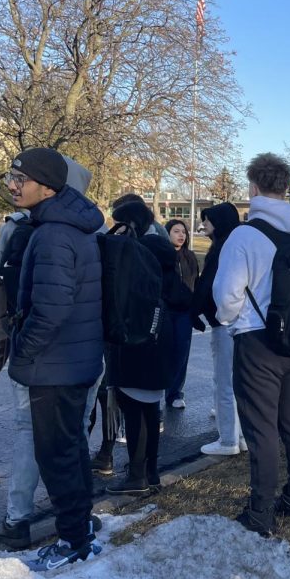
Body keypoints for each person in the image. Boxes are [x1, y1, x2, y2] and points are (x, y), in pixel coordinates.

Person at [213, 153, 290, 534]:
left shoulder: (245, 235)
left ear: (253, 187)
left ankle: (260, 511)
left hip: (257, 342)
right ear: (286, 188)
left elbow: (226, 296)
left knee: (261, 428)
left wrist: (228, 320)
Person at [0, 156, 101, 551]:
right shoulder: (67, 224)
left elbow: (52, 308)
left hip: (55, 365)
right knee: (70, 449)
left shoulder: (53, 232)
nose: (12, 185)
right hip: (72, 360)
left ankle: (73, 541)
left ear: (50, 187)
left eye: (21, 178)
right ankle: (81, 528)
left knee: (57, 457)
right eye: (12, 176)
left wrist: (22, 353)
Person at [105, 200, 188, 495]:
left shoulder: (135, 250)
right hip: (159, 329)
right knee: (150, 405)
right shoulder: (163, 249)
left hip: (136, 331)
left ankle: (136, 475)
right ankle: (150, 471)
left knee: (133, 406)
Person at [194, 202, 246, 456]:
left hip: (225, 324)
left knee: (224, 383)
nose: (204, 224)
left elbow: (209, 289)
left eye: (208, 220)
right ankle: (242, 436)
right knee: (241, 383)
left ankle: (228, 440)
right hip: (245, 324)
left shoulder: (220, 251)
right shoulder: (238, 246)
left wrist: (196, 310)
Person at [164, 218, 199, 410]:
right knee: (164, 353)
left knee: (181, 353)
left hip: (184, 313)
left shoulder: (190, 257)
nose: (181, 235)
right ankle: (158, 391)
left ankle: (175, 392)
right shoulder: (163, 255)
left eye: (183, 232)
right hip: (166, 312)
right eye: (176, 231)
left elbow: (196, 282)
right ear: (167, 233)